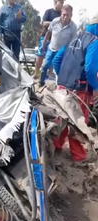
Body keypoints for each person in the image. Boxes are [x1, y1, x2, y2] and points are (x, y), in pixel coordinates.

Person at [51, 16, 98, 162]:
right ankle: (79, 156)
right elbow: (90, 69)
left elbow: (56, 60)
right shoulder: (94, 42)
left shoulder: (72, 38)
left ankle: (56, 146)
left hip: (63, 87)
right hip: (80, 90)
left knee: (63, 119)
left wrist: (63, 77)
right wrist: (95, 87)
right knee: (78, 122)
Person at [39, 4, 77, 87]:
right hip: (51, 48)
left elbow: (74, 42)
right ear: (61, 14)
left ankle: (60, 86)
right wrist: (44, 43)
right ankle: (40, 83)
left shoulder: (73, 27)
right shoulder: (55, 21)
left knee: (58, 69)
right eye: (64, 14)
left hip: (62, 52)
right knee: (45, 66)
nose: (65, 17)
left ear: (71, 15)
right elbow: (49, 32)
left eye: (68, 15)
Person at [34, 0, 64, 78]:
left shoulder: (62, 14)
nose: (62, 4)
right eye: (60, 2)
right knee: (40, 55)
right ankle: (36, 73)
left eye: (63, 2)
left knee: (52, 57)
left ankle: (50, 73)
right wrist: (54, 23)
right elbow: (43, 23)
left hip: (55, 39)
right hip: (45, 37)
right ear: (55, 2)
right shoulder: (49, 12)